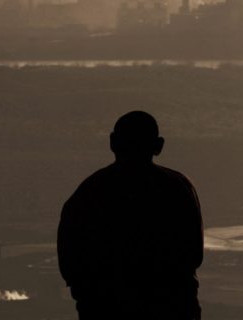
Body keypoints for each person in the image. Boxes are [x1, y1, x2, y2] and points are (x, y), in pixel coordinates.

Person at [57, 111, 203, 320]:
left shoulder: (89, 192)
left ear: (113, 142)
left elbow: (69, 263)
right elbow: (194, 254)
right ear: (158, 146)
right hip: (171, 307)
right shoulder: (178, 189)